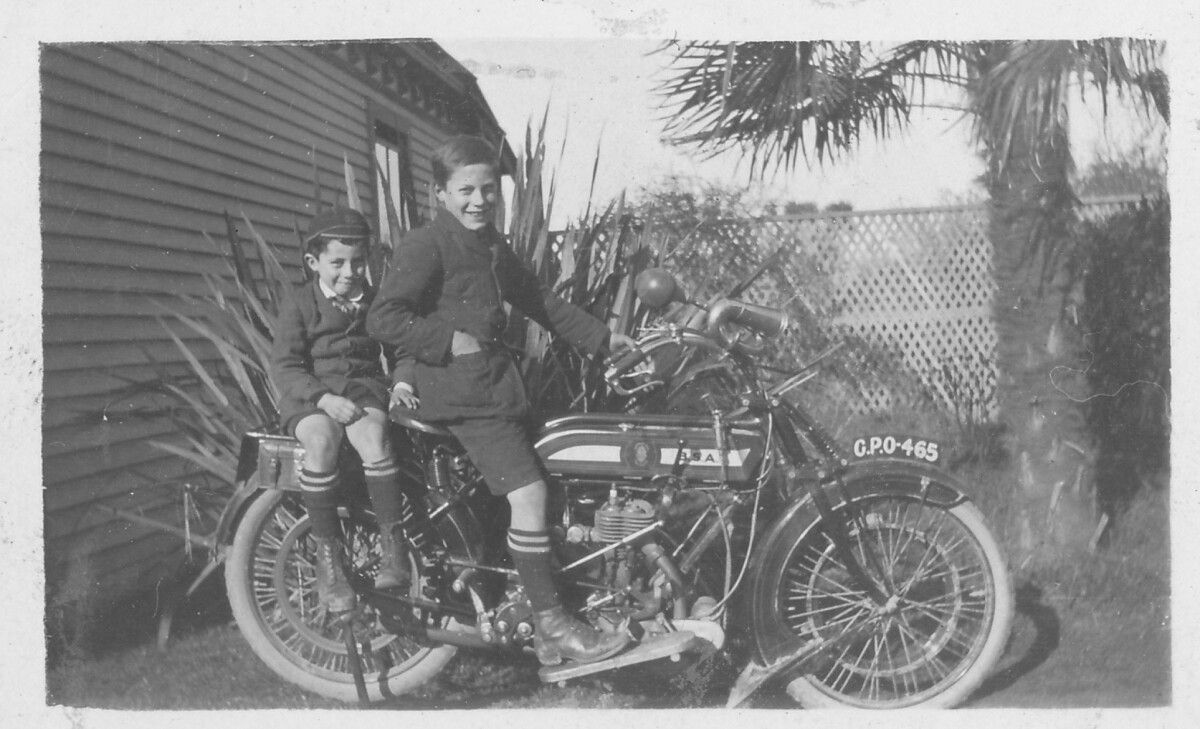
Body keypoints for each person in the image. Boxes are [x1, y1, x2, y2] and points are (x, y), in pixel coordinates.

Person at [367, 135, 636, 666]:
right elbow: (384, 316)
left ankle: (540, 600)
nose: (479, 200)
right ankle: (553, 626)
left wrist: (604, 340)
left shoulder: (491, 244)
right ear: (440, 193)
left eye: (489, 189)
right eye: (465, 190)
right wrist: (450, 341)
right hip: (460, 393)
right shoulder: (427, 244)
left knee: (552, 478)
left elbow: (538, 299)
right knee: (529, 495)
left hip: (493, 389)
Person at [271, 207, 421, 612]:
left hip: (362, 390)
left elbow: (402, 351)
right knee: (320, 441)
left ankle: (393, 548)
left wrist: (402, 384)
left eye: (357, 262)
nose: (349, 272)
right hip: (311, 395)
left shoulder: (376, 302)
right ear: (313, 262)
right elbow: (285, 365)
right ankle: (330, 562)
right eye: (337, 263)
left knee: (373, 436)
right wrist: (322, 399)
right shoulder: (300, 303)